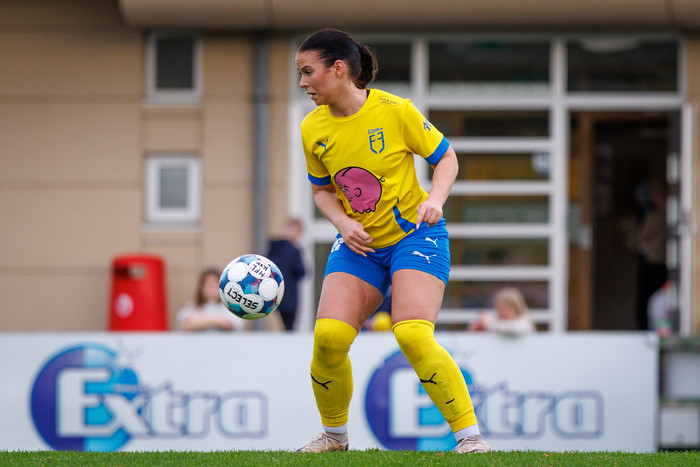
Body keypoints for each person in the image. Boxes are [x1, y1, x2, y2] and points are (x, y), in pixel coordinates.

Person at [294, 29, 490, 454]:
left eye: (308, 72)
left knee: (413, 334)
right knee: (328, 338)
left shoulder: (396, 111)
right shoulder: (311, 128)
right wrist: (343, 223)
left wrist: (435, 200)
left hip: (415, 237)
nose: (303, 82)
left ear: (338, 69)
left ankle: (471, 440)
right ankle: (334, 438)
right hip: (359, 247)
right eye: (300, 74)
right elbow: (322, 191)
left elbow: (446, 158)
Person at [633, 181, 667, 331]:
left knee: (647, 299)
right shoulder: (666, 214)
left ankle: (646, 329)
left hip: (653, 262)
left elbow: (639, 237)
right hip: (662, 262)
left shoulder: (656, 215)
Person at [177, 268, 248, 332]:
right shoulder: (192, 307)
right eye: (207, 285)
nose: (210, 290)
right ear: (201, 288)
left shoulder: (231, 307)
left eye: (214, 285)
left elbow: (232, 325)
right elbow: (187, 325)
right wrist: (218, 321)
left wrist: (201, 320)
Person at [266, 218, 307, 331]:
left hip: (274, 293)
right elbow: (301, 271)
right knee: (289, 327)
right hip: (289, 296)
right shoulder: (294, 250)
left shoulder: (273, 248)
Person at [469, 287, 535, 336]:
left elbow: (514, 329)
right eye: (500, 309)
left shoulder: (524, 321)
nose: (504, 312)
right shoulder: (496, 321)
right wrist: (477, 327)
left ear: (517, 308)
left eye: (508, 309)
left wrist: (489, 324)